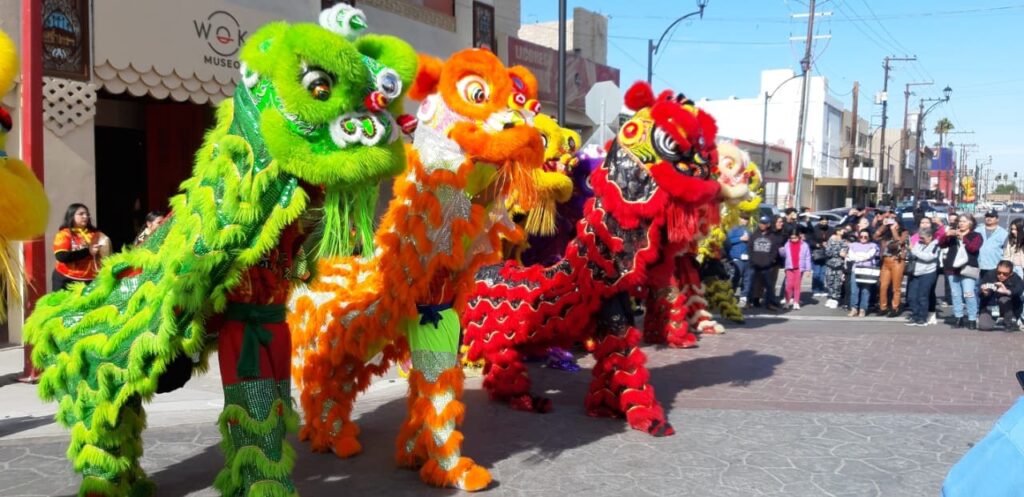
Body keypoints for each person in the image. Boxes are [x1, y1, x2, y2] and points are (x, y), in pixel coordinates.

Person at [52, 203, 109, 291]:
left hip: (89, 279)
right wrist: (87, 251)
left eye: (87, 214)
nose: (85, 216)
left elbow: (105, 255)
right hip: (66, 278)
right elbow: (61, 256)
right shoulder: (64, 234)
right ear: (71, 216)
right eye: (81, 214)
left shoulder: (95, 234)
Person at [940, 214, 983, 329]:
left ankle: (972, 318)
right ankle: (958, 317)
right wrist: (946, 235)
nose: (961, 223)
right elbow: (941, 244)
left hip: (968, 268)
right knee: (955, 294)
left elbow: (973, 248)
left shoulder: (976, 235)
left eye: (964, 221)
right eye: (960, 221)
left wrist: (962, 238)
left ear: (971, 223)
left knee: (969, 293)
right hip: (952, 268)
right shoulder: (953, 235)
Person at [874, 209, 908, 317]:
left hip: (897, 260)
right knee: (883, 286)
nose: (891, 222)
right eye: (890, 219)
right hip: (886, 261)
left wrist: (894, 230)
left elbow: (899, 243)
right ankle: (883, 307)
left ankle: (895, 308)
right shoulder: (886, 232)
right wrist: (884, 226)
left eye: (894, 220)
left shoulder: (904, 232)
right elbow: (875, 236)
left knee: (896, 287)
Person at [747, 215, 783, 311]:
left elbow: (774, 251)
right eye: (761, 223)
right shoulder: (754, 235)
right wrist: (752, 260)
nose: (762, 225)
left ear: (768, 225)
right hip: (754, 264)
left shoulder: (772, 237)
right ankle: (749, 302)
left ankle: (769, 303)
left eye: (764, 223)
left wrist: (769, 261)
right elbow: (750, 248)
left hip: (767, 265)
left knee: (769, 285)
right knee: (751, 284)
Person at [905, 226, 940, 326]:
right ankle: (915, 315)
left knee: (922, 296)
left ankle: (922, 318)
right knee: (912, 296)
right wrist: (909, 251)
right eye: (920, 237)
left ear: (930, 237)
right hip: (915, 272)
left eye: (923, 238)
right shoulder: (918, 243)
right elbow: (913, 254)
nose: (921, 239)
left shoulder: (936, 246)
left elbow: (928, 257)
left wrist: (914, 251)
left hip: (928, 273)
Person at [976, 260, 1023, 332]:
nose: (1001, 275)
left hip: (1008, 307)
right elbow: (980, 292)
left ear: (1011, 273)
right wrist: (985, 292)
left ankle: (1009, 323)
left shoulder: (1015, 278)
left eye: (1005, 274)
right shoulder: (989, 275)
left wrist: (1007, 291)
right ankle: (995, 318)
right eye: (999, 272)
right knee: (984, 327)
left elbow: (1019, 290)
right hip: (991, 306)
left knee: (1004, 299)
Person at [846, 229, 879, 317]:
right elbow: (851, 256)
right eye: (861, 236)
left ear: (869, 237)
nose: (863, 238)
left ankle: (863, 309)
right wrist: (861, 256)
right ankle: (854, 308)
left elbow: (869, 255)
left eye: (866, 236)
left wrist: (858, 257)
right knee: (854, 290)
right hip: (855, 270)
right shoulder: (853, 245)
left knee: (866, 290)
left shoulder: (873, 245)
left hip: (868, 270)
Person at [778, 228, 811, 309]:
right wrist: (781, 250)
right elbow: (784, 255)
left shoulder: (804, 245)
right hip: (789, 267)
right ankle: (787, 301)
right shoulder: (787, 244)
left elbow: (808, 257)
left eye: (795, 238)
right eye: (792, 238)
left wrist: (808, 269)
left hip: (799, 267)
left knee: (797, 285)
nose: (793, 240)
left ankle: (796, 302)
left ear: (799, 237)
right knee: (789, 285)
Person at [726, 212, 752, 305]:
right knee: (735, 278)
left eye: (747, 219)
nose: (745, 221)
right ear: (739, 219)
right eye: (743, 218)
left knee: (747, 278)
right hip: (736, 258)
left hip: (747, 259)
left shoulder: (749, 230)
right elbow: (727, 242)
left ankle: (744, 296)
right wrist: (740, 239)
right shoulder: (733, 229)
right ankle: (731, 295)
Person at [976, 211, 1008, 280]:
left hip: (994, 266)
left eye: (992, 217)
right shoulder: (977, 230)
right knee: (976, 288)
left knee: (991, 287)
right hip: (977, 266)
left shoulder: (1003, 233)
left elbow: (1006, 251)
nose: (989, 218)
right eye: (987, 216)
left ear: (997, 219)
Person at [823, 226, 849, 309]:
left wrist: (836, 252)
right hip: (830, 264)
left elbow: (844, 252)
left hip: (839, 265)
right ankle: (830, 297)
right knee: (829, 281)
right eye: (841, 230)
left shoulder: (844, 241)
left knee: (837, 283)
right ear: (837, 231)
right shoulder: (831, 240)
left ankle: (835, 299)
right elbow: (828, 252)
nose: (843, 231)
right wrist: (838, 252)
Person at [810, 216, 832, 297]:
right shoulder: (814, 229)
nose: (824, 224)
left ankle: (821, 288)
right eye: (822, 222)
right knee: (816, 272)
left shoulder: (830, 229)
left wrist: (828, 244)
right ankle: (815, 288)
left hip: (826, 252)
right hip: (817, 252)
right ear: (819, 222)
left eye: (826, 223)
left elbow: (833, 239)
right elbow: (810, 240)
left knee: (823, 272)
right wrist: (818, 244)